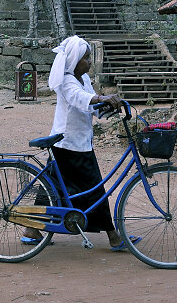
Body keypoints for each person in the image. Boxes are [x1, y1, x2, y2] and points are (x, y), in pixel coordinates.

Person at [22, 35, 134, 251]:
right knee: (94, 189)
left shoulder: (84, 79)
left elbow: (89, 104)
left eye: (90, 57)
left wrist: (106, 107)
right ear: (74, 60)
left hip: (77, 143)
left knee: (53, 189)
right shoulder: (66, 80)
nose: (89, 62)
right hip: (68, 144)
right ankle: (113, 236)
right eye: (86, 58)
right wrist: (101, 98)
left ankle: (31, 229)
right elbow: (77, 97)